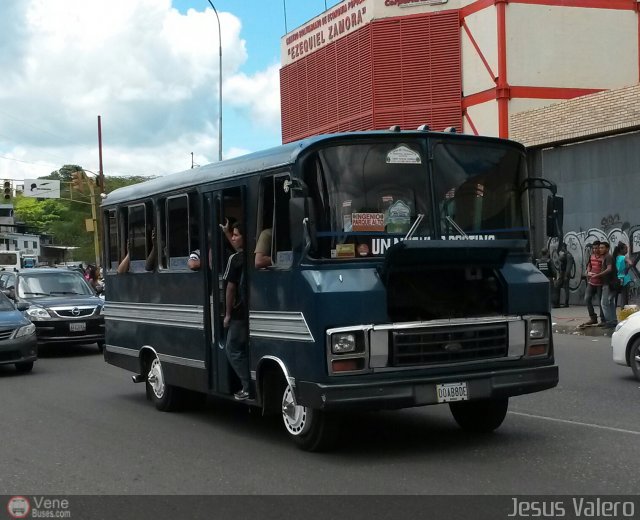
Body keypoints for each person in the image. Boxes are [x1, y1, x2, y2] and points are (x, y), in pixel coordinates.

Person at [222, 222, 250, 400]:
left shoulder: (235, 259)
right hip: (252, 311)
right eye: (231, 235)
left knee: (232, 349)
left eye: (236, 235)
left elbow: (230, 288)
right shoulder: (249, 257)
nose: (233, 238)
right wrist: (226, 232)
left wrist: (228, 314)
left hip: (239, 313)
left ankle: (247, 385)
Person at [581, 240, 605, 327]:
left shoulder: (603, 258)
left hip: (600, 283)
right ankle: (593, 318)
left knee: (600, 302)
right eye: (593, 248)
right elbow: (589, 266)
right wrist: (588, 272)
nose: (595, 250)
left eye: (596, 248)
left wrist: (598, 274)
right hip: (591, 282)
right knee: (587, 299)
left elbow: (605, 270)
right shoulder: (591, 256)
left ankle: (603, 319)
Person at [552, 243, 574, 308]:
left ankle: (566, 303)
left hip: (565, 274)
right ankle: (557, 303)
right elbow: (560, 260)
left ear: (563, 247)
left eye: (561, 247)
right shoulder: (565, 255)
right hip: (562, 273)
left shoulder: (568, 255)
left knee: (566, 288)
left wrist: (566, 275)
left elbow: (568, 266)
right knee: (557, 286)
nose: (560, 249)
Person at [614, 242, 633, 309]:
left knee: (615, 298)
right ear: (621, 250)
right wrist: (627, 269)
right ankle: (623, 313)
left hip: (617, 279)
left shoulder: (615, 257)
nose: (627, 250)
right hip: (625, 279)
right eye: (626, 249)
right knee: (624, 299)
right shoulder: (624, 257)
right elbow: (631, 263)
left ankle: (613, 314)